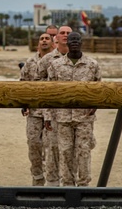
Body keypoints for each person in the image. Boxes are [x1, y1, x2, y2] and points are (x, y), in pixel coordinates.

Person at [44, 32, 102, 187]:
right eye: (72, 41)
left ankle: (83, 185)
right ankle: (68, 185)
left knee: (84, 151)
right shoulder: (56, 65)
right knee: (65, 152)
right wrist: (47, 116)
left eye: (77, 40)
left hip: (84, 117)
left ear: (81, 43)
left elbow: (100, 89)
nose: (75, 43)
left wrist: (95, 105)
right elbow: (50, 92)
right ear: (67, 44)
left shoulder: (92, 65)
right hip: (62, 117)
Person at [20, 33, 53, 185]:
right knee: (33, 144)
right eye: (41, 39)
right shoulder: (30, 62)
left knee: (50, 147)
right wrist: (23, 103)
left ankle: (51, 180)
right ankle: (37, 177)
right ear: (38, 44)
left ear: (52, 43)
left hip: (51, 113)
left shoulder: (57, 61)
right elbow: (23, 83)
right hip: (34, 112)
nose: (44, 40)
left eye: (47, 38)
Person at [42, 24, 72, 185]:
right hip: (53, 113)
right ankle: (52, 184)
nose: (65, 35)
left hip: (73, 115)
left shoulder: (82, 60)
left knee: (70, 151)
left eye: (69, 33)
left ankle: (69, 184)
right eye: (62, 33)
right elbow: (37, 83)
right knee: (52, 150)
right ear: (57, 37)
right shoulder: (47, 60)